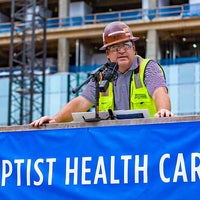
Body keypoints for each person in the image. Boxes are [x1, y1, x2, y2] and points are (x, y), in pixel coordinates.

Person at [31, 21, 174, 127]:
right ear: (107, 54)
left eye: (126, 46)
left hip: (145, 135)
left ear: (134, 48)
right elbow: (82, 102)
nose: (122, 51)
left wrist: (163, 111)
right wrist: (55, 120)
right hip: (112, 141)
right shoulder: (101, 75)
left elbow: (159, 92)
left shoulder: (148, 68)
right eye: (115, 48)